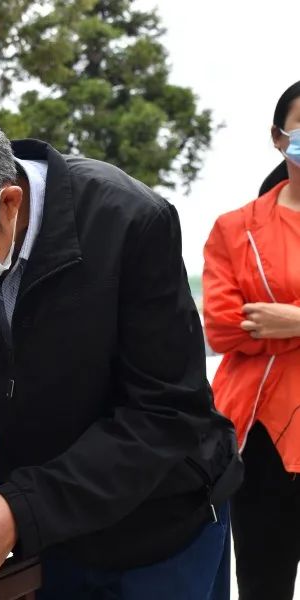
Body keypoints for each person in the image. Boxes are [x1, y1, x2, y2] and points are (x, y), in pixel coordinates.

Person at [0, 98, 242, 599]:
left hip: (164, 521)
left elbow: (165, 412)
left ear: (9, 204)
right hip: (50, 536)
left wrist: (21, 509)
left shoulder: (128, 222)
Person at [203, 80, 300, 600]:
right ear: (279, 136)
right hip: (260, 435)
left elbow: (256, 325)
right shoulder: (235, 229)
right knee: (264, 582)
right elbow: (222, 327)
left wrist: (293, 321)